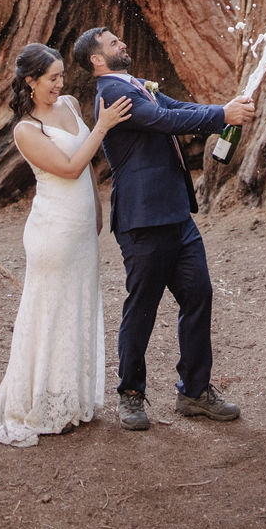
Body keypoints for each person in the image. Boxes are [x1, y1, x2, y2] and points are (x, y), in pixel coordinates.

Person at [72, 27, 255, 432]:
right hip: (141, 220)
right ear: (96, 61)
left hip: (177, 215)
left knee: (198, 294)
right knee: (142, 308)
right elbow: (163, 120)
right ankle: (130, 395)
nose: (122, 42)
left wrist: (224, 110)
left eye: (121, 37)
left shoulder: (138, 85)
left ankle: (194, 391)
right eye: (112, 42)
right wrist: (223, 115)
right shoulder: (111, 94)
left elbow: (178, 107)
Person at [0, 43, 132, 447]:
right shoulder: (26, 130)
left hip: (81, 227)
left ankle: (73, 397)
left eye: (62, 76)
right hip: (53, 233)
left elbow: (89, 170)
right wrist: (103, 126)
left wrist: (98, 207)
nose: (60, 84)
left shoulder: (70, 104)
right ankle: (44, 400)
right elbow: (68, 166)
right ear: (30, 82)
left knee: (79, 306)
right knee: (53, 312)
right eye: (51, 78)